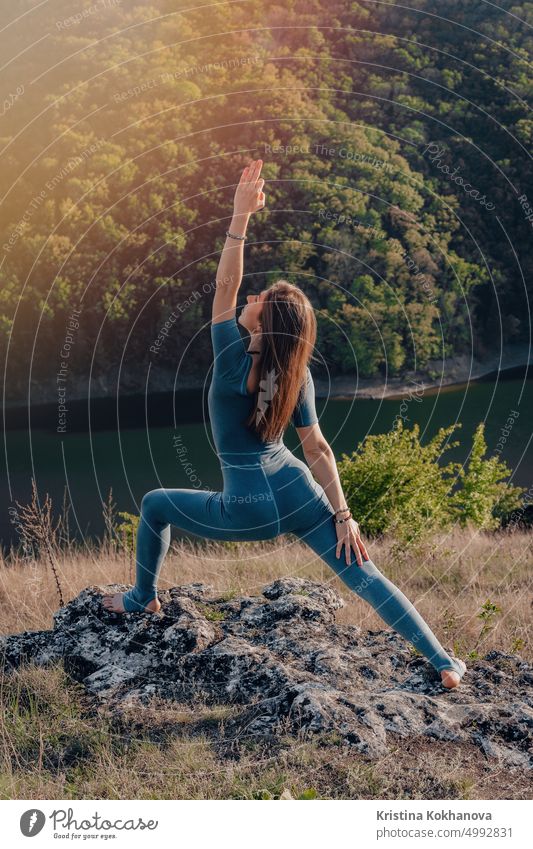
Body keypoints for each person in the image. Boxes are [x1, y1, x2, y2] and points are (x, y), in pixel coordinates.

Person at [103, 159, 467, 689]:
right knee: (363, 573)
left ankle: (142, 598)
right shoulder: (298, 373)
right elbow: (317, 448)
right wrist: (344, 515)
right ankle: (443, 662)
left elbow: (225, 282)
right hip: (297, 489)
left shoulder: (231, 355)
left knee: (156, 505)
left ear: (260, 322)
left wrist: (239, 216)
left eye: (260, 300)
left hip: (246, 508)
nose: (249, 298)